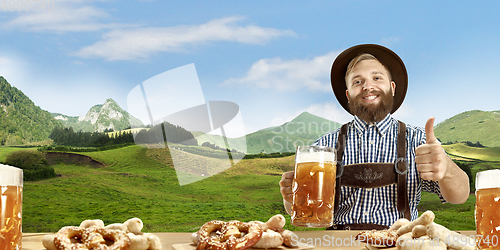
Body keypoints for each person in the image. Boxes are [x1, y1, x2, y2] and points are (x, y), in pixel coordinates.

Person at [279, 44, 470, 229]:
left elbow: (459, 196)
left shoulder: (418, 140)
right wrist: (290, 197)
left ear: (392, 88)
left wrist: (446, 166)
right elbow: (295, 207)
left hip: (399, 242)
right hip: (340, 244)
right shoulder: (324, 146)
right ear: (348, 94)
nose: (367, 87)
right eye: (357, 81)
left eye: (377, 78)